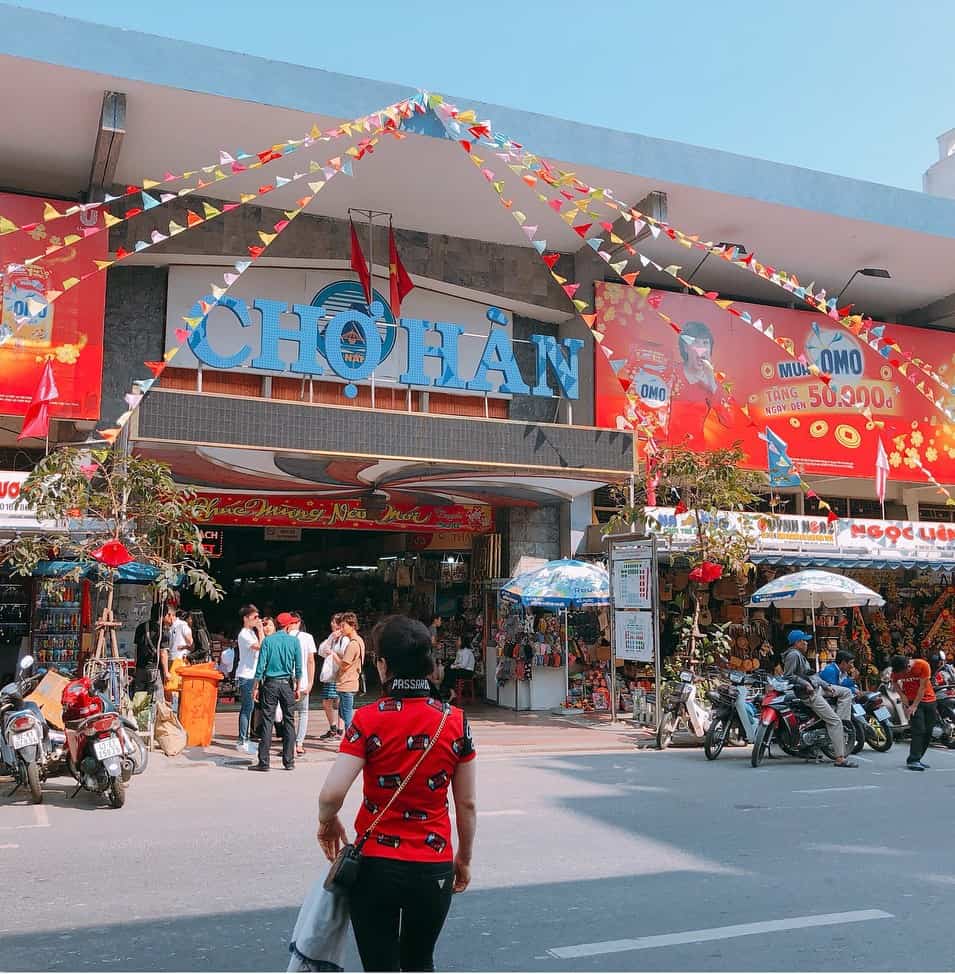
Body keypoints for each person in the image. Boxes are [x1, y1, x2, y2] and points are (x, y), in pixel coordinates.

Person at [316, 615, 477, 972]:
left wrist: (327, 823)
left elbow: (331, 794)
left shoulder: (366, 718)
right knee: (419, 961)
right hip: (432, 864)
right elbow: (466, 803)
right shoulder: (455, 720)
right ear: (428, 664)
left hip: (375, 866)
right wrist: (463, 858)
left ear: (383, 664)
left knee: (379, 965)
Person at [782, 630, 857, 768]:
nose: (806, 644)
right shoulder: (793, 655)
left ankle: (841, 727)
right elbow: (788, 676)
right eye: (804, 641)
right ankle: (840, 758)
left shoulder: (800, 655)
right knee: (834, 721)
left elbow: (813, 676)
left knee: (846, 692)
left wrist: (826, 685)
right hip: (809, 694)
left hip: (818, 688)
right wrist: (805, 684)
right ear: (797, 642)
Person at [248, 612, 302, 773]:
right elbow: (299, 667)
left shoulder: (268, 641)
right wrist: (298, 687)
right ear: (288, 625)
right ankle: (289, 761)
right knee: (289, 721)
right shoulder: (294, 641)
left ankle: (264, 761)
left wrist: (255, 687)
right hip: (286, 684)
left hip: (270, 683)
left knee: (267, 721)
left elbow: (261, 666)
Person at [891, 654, 937, 771]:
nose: (903, 675)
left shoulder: (922, 665)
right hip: (911, 701)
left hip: (928, 700)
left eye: (904, 672)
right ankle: (913, 760)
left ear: (907, 666)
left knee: (928, 731)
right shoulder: (897, 670)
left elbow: (922, 688)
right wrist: (902, 696)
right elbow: (894, 682)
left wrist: (914, 706)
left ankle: (918, 758)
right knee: (918, 730)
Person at [235, 605, 264, 751]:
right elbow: (261, 647)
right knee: (247, 708)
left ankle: (245, 738)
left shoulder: (251, 633)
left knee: (250, 707)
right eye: (255, 617)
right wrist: (261, 630)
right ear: (246, 618)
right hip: (246, 675)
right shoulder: (244, 634)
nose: (257, 620)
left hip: (251, 675)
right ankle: (242, 740)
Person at [289, 611, 317, 757]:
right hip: (304, 680)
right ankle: (299, 744)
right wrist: (311, 681)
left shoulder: (282, 637)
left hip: (285, 681)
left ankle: (289, 744)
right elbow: (311, 661)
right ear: (299, 622)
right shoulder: (307, 637)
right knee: (303, 713)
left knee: (288, 714)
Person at [331, 612, 364, 731]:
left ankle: (351, 739)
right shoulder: (359, 640)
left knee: (347, 718)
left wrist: (334, 656)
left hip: (347, 684)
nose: (341, 629)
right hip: (350, 682)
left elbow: (344, 665)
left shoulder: (353, 644)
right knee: (344, 713)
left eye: (344, 626)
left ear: (352, 626)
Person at [317, 614, 345, 741]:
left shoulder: (344, 639)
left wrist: (333, 653)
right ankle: (333, 727)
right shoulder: (332, 637)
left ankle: (340, 729)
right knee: (327, 702)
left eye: (334, 622)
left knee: (339, 702)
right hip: (330, 674)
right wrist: (330, 638)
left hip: (339, 673)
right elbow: (321, 651)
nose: (332, 624)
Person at [133, 604, 163, 695]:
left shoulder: (140, 627)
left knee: (139, 695)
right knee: (154, 696)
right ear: (162, 615)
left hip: (140, 667)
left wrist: (135, 665)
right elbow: (163, 652)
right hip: (154, 668)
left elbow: (136, 649)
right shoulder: (161, 630)